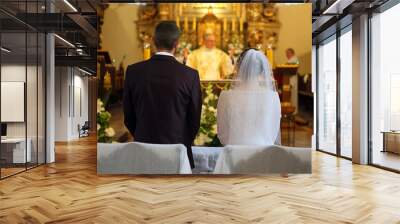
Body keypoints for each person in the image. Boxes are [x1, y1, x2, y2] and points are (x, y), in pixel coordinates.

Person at [123, 21, 202, 169]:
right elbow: (194, 119)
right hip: (178, 151)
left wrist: (143, 135)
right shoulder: (190, 75)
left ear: (153, 41)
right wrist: (181, 141)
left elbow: (128, 116)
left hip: (143, 149)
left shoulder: (133, 71)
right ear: (177, 43)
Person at [217, 49, 281, 146]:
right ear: (262, 70)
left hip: (234, 150)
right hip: (264, 150)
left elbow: (222, 133)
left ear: (238, 68)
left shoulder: (226, 97)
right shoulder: (272, 97)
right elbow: (273, 131)